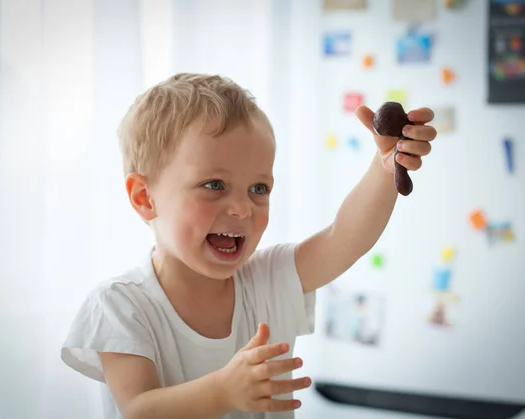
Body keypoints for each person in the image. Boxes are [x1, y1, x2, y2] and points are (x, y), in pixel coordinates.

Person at [60, 73, 437, 419]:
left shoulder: (267, 281)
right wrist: (222, 391)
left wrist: (385, 166)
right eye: (214, 185)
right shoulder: (119, 306)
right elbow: (139, 410)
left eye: (259, 188)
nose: (242, 209)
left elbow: (343, 238)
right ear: (145, 197)